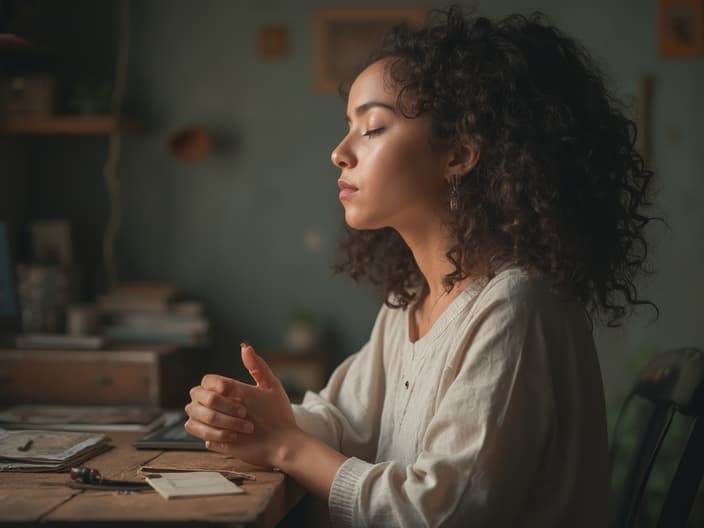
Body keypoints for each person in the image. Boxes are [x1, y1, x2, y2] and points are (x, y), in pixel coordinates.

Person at [184, 6, 656, 527]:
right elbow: (343, 420)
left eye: (374, 127)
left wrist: (288, 447)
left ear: (458, 153)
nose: (340, 152)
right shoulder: (412, 300)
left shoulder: (516, 306)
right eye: (349, 127)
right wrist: (265, 421)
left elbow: (438, 514)